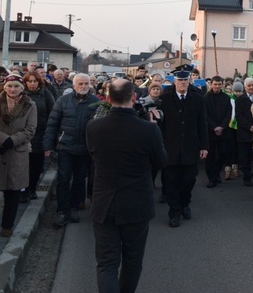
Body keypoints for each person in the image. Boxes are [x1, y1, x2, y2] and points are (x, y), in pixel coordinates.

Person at [86, 79, 167, 293]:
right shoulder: (149, 130)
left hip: (104, 203)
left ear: (108, 99)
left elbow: (93, 156)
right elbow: (161, 162)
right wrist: (154, 126)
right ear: (134, 97)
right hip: (136, 203)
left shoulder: (93, 127)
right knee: (132, 262)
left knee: (106, 263)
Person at [44, 73, 100, 228]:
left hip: (85, 148)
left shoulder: (96, 102)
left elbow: (100, 127)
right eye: (80, 84)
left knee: (80, 179)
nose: (83, 86)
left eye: (86, 84)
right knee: (63, 179)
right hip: (65, 147)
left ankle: (75, 207)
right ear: (73, 85)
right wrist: (48, 146)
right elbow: (52, 124)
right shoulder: (63, 101)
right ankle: (62, 210)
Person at [158, 70, 208, 228]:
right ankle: (174, 212)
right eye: (180, 81)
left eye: (185, 80)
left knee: (189, 179)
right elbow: (160, 126)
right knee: (171, 182)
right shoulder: (164, 99)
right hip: (170, 147)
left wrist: (204, 146)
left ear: (189, 82)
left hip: (190, 147)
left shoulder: (198, 100)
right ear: (174, 82)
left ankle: (185, 203)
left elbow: (202, 125)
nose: (183, 83)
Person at [0, 75, 37, 238]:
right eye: (9, 86)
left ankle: (7, 226)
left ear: (22, 88)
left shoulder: (30, 105)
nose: (12, 89)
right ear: (4, 87)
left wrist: (12, 141)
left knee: (13, 192)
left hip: (17, 153)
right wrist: (3, 140)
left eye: (16, 86)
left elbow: (30, 129)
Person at [22, 71, 55, 202]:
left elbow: (52, 113)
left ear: (39, 82)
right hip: (24, 135)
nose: (32, 84)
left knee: (36, 165)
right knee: (23, 165)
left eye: (34, 81)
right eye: (29, 81)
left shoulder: (46, 94)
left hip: (40, 134)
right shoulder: (21, 94)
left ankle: (32, 188)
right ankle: (22, 190)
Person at [204, 76, 232, 188]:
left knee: (223, 154)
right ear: (211, 84)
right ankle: (211, 178)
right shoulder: (205, 98)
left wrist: (222, 127)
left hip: (224, 131)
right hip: (210, 132)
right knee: (210, 156)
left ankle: (216, 173)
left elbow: (228, 114)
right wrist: (214, 127)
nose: (217, 86)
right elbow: (205, 115)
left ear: (222, 85)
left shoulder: (226, 97)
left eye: (219, 84)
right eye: (215, 84)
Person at [235, 77, 253, 186]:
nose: (251, 87)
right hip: (244, 132)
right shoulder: (240, 99)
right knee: (244, 157)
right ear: (244, 87)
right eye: (249, 85)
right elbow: (239, 116)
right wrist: (249, 126)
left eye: (252, 85)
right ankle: (247, 177)